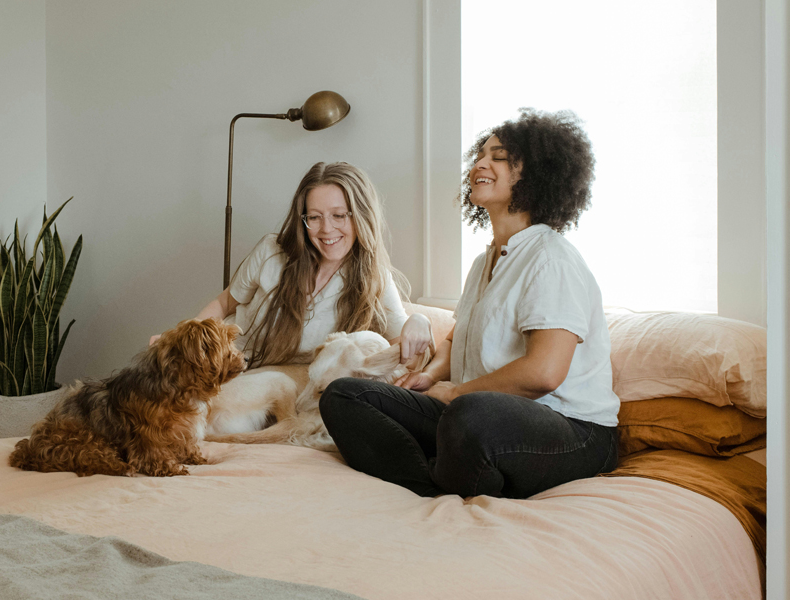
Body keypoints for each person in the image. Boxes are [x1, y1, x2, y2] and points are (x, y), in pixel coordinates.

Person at [319, 109, 620, 499]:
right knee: (345, 396)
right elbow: (456, 338)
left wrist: (457, 393)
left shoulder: (551, 258)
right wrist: (430, 376)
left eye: (498, 156)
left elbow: (544, 372)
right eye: (480, 155)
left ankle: (451, 469)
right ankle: (435, 482)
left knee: (469, 415)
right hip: (475, 415)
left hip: (573, 431)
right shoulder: (485, 262)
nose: (480, 163)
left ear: (535, 173)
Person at [155, 161, 433, 368]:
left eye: (338, 215)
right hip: (229, 367)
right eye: (314, 217)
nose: (326, 230)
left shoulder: (375, 278)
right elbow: (225, 304)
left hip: (287, 388)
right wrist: (179, 340)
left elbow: (403, 349)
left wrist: (420, 320)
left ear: (360, 216)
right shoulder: (271, 251)